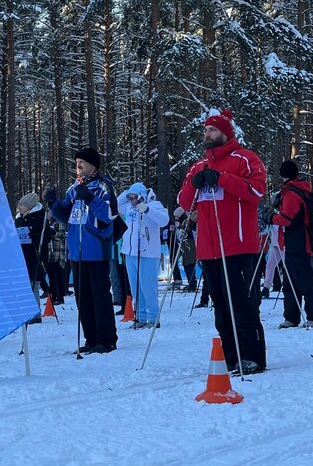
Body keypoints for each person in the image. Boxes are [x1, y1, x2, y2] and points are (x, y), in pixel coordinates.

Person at [178, 109, 268, 375]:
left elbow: (256, 190)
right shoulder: (198, 166)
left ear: (226, 133)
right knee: (219, 305)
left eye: (213, 130)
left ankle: (252, 356)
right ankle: (231, 355)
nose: (207, 134)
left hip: (237, 245)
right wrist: (194, 184)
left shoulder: (245, 158)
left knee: (241, 302)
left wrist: (222, 179)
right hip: (209, 248)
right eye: (206, 130)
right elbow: (184, 203)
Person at [47, 147, 119, 354]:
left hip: (96, 250)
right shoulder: (74, 188)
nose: (77, 166)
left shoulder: (104, 187)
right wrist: (53, 203)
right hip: (76, 252)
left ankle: (106, 339)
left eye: (82, 163)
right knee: (83, 298)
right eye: (76, 163)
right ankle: (91, 338)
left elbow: (109, 215)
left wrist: (90, 198)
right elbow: (66, 215)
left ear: (93, 166)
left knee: (99, 295)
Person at [270, 160, 313, 328]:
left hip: (298, 241)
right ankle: (292, 317)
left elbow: (287, 218)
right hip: (296, 241)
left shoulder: (292, 193)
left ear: (283, 174)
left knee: (303, 280)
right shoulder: (298, 189)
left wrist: (271, 217)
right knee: (290, 281)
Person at [118, 182, 169, 327]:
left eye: (135, 197)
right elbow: (115, 205)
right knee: (135, 287)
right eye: (130, 198)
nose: (132, 200)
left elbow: (164, 220)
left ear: (142, 196)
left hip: (148, 253)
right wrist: (126, 192)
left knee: (148, 286)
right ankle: (140, 317)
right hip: (130, 252)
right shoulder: (128, 207)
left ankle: (153, 318)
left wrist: (147, 210)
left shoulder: (154, 205)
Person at [16, 191, 48, 322]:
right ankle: (28, 312)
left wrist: (34, 235)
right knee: (25, 286)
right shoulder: (18, 219)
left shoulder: (40, 217)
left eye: (22, 205)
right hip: (22, 256)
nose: (19, 207)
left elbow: (46, 237)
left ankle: (36, 314)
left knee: (33, 285)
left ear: (29, 206)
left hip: (35, 256)